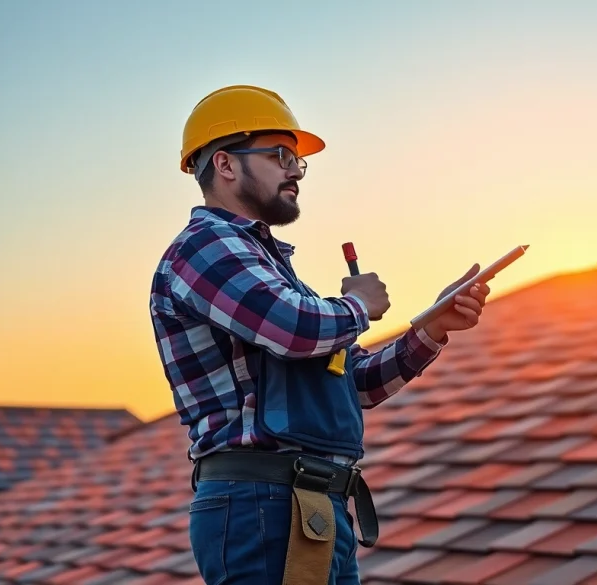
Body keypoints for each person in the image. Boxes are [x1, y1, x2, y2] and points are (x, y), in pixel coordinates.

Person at [149, 84, 492, 585]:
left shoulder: (268, 269)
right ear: (224, 164)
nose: (294, 170)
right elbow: (294, 328)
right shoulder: (204, 248)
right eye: (280, 155)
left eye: (298, 161)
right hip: (261, 503)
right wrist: (359, 305)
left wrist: (432, 328)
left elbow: (353, 384)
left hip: (307, 504)